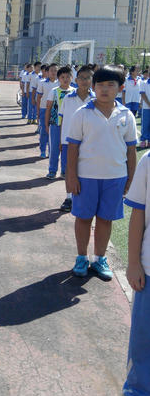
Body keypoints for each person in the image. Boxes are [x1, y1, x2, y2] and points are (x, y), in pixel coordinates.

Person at [66, 65, 137, 280]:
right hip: (86, 177)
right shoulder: (82, 114)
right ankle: (81, 257)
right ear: (94, 87)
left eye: (110, 85)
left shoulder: (126, 115)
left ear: (120, 88)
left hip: (115, 178)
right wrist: (71, 176)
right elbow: (73, 147)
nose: (104, 89)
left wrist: (130, 178)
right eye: (100, 85)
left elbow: (131, 151)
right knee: (84, 218)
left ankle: (99, 259)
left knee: (106, 219)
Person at [117, 153, 150, 396]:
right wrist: (133, 261)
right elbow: (138, 214)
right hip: (149, 271)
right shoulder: (149, 161)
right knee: (143, 340)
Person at [58, 65, 94, 212]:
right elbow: (62, 120)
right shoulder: (68, 98)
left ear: (92, 80)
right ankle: (69, 198)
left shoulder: (96, 99)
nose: (84, 81)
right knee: (69, 169)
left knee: (88, 170)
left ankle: (85, 197)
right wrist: (61, 141)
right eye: (81, 78)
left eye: (88, 78)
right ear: (76, 80)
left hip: (90, 142)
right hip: (69, 141)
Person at [44, 65, 73, 178]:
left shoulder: (74, 92)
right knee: (54, 148)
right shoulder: (54, 91)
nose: (65, 79)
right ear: (59, 78)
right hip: (55, 124)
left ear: (72, 77)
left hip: (69, 126)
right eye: (62, 77)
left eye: (67, 77)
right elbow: (48, 108)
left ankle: (64, 171)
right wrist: (46, 124)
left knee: (67, 150)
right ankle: (52, 170)